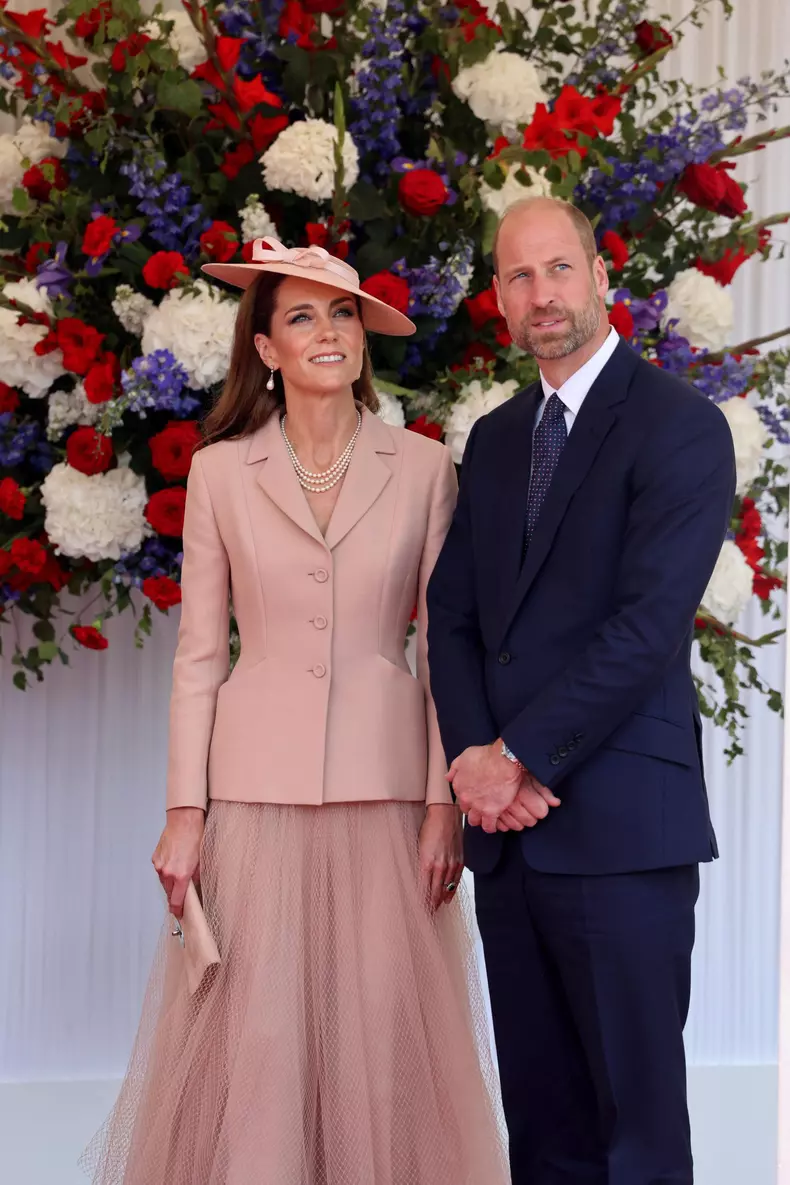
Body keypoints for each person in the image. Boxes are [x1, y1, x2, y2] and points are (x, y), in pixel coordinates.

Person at [84, 238, 508, 1185]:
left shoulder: (428, 467)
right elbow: (199, 654)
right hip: (254, 796)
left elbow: (446, 649)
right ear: (267, 348)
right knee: (263, 1043)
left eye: (343, 313)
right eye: (302, 316)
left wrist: (445, 801)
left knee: (380, 1045)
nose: (329, 331)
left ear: (363, 338)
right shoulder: (220, 473)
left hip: (389, 795)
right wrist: (184, 811)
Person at [426, 197, 737, 1185]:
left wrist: (513, 757)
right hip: (509, 843)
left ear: (602, 277)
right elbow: (456, 620)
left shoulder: (679, 427)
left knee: (634, 1136)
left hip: (619, 833)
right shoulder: (496, 440)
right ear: (498, 302)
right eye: (518, 277)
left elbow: (645, 628)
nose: (541, 294)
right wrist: (476, 769)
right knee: (546, 1132)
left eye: (558, 269)